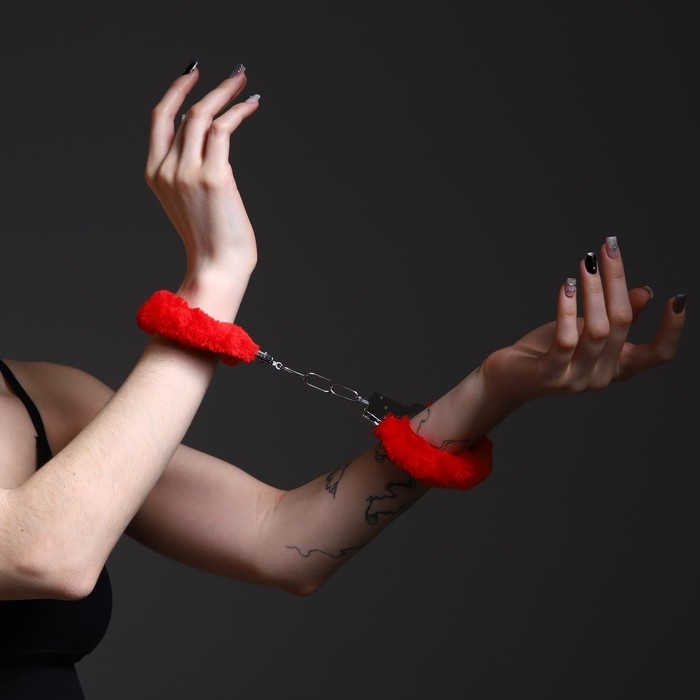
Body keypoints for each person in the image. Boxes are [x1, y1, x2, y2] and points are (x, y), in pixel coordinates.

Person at [0, 61, 686, 699]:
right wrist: (214, 279)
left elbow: (279, 539)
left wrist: (490, 389)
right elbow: (46, 555)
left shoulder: (47, 400)